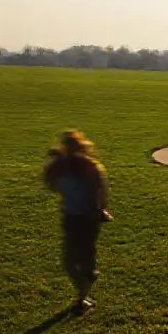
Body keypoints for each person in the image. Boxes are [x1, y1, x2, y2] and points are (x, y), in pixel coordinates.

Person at [44, 130, 111, 315]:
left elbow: (101, 191)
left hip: (87, 218)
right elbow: (50, 184)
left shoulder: (90, 166)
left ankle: (82, 296)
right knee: (70, 261)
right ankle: (85, 287)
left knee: (79, 260)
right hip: (71, 217)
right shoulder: (60, 166)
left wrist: (101, 209)